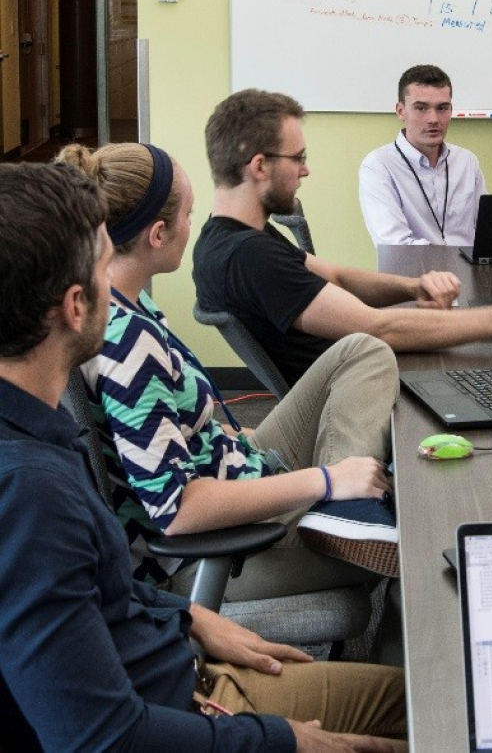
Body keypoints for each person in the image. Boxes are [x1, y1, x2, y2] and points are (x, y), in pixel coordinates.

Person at [0, 162, 406, 752]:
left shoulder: (34, 434)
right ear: (74, 306)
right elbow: (105, 740)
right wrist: (282, 740)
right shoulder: (30, 495)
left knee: (423, 700)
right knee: (443, 723)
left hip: (186, 668)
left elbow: (98, 588)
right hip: (198, 709)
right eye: (100, 266)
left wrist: (186, 618)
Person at [58, 141, 398, 594]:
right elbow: (178, 509)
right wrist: (326, 479)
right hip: (213, 551)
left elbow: (160, 437)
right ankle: (343, 503)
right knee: (409, 541)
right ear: (158, 234)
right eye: (188, 215)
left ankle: (343, 512)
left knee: (362, 351)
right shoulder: (128, 343)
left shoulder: (121, 305)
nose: (191, 226)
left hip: (237, 465)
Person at [193, 89, 492, 387]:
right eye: (298, 158)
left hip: (357, 377)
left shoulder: (228, 234)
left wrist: (413, 287)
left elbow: (337, 277)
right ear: (259, 166)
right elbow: (378, 328)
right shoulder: (248, 256)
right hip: (350, 398)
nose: (306, 169)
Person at [358, 64, 487, 246]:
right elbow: (395, 245)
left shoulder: (467, 162)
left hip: (469, 271)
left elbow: (485, 232)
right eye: (421, 108)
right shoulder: (378, 166)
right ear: (401, 111)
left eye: (442, 108)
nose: (433, 119)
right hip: (412, 272)